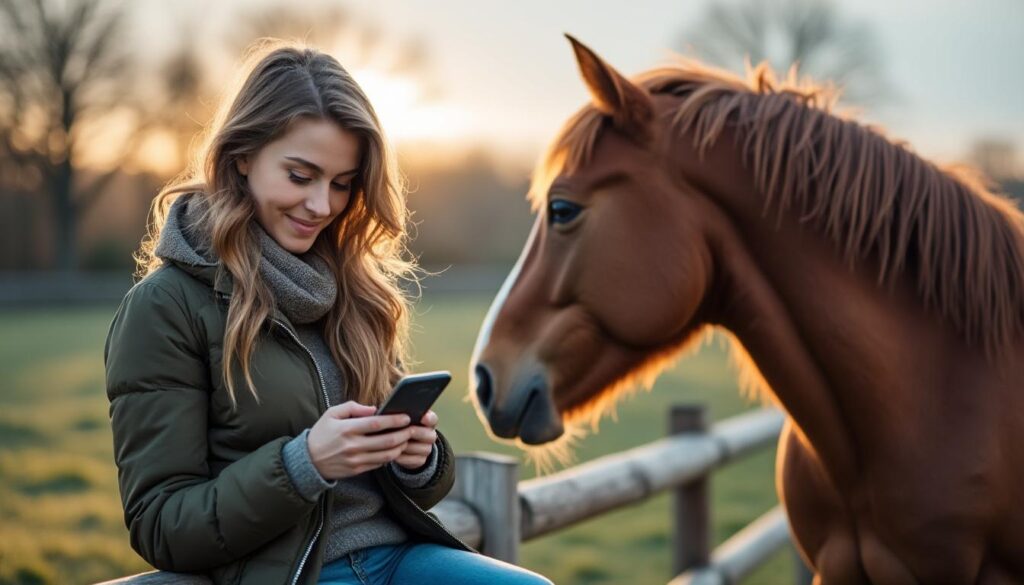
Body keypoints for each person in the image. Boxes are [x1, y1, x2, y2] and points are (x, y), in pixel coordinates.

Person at [104, 41, 553, 585]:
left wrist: (417, 459)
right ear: (242, 156)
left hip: (396, 558)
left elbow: (419, 486)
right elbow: (160, 525)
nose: (322, 206)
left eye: (342, 184)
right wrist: (305, 464)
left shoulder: (351, 289)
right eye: (300, 175)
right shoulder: (165, 306)